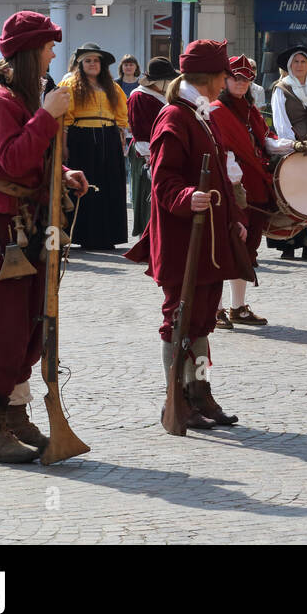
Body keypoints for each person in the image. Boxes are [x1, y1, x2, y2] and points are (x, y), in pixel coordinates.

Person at [0, 11, 89, 462]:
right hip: (3, 228)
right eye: (47, 47)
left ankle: (14, 415)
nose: (53, 54)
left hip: (28, 223)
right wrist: (46, 116)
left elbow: (27, 158)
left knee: (30, 328)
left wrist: (61, 173)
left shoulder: (21, 96)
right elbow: (13, 160)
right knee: (4, 329)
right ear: (27, 54)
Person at [125, 41, 245, 429]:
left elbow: (221, 176)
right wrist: (186, 196)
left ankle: (199, 391)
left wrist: (234, 217)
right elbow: (163, 180)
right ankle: (174, 397)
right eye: (224, 74)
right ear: (211, 78)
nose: (227, 81)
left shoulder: (202, 113)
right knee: (179, 317)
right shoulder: (175, 117)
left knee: (203, 320)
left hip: (209, 237)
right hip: (183, 238)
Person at [210, 54, 292, 327]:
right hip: (231, 188)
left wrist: (291, 146)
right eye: (237, 77)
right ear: (226, 79)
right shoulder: (216, 110)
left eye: (247, 79)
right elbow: (221, 151)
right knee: (225, 247)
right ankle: (216, 309)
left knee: (247, 250)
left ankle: (238, 307)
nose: (242, 83)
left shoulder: (250, 109)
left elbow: (265, 140)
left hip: (256, 186)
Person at [58, 44, 128, 251]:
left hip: (109, 137)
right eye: (88, 60)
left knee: (109, 186)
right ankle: (82, 235)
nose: (92, 64)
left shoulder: (112, 87)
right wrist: (63, 146)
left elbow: (121, 115)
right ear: (80, 64)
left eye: (96, 61)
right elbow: (64, 120)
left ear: (101, 64)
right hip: (81, 139)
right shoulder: (69, 84)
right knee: (84, 187)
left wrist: (121, 137)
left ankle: (107, 236)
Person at [271, 45, 307, 260]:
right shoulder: (281, 88)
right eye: (295, 62)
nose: (299, 65)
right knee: (290, 193)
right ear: (289, 65)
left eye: (303, 62)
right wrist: (292, 143)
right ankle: (288, 243)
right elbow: (280, 120)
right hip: (290, 145)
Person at [127, 57, 178, 238]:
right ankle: (147, 238)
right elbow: (139, 130)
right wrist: (150, 157)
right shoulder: (139, 97)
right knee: (146, 198)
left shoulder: (164, 96)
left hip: (164, 151)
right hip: (146, 153)